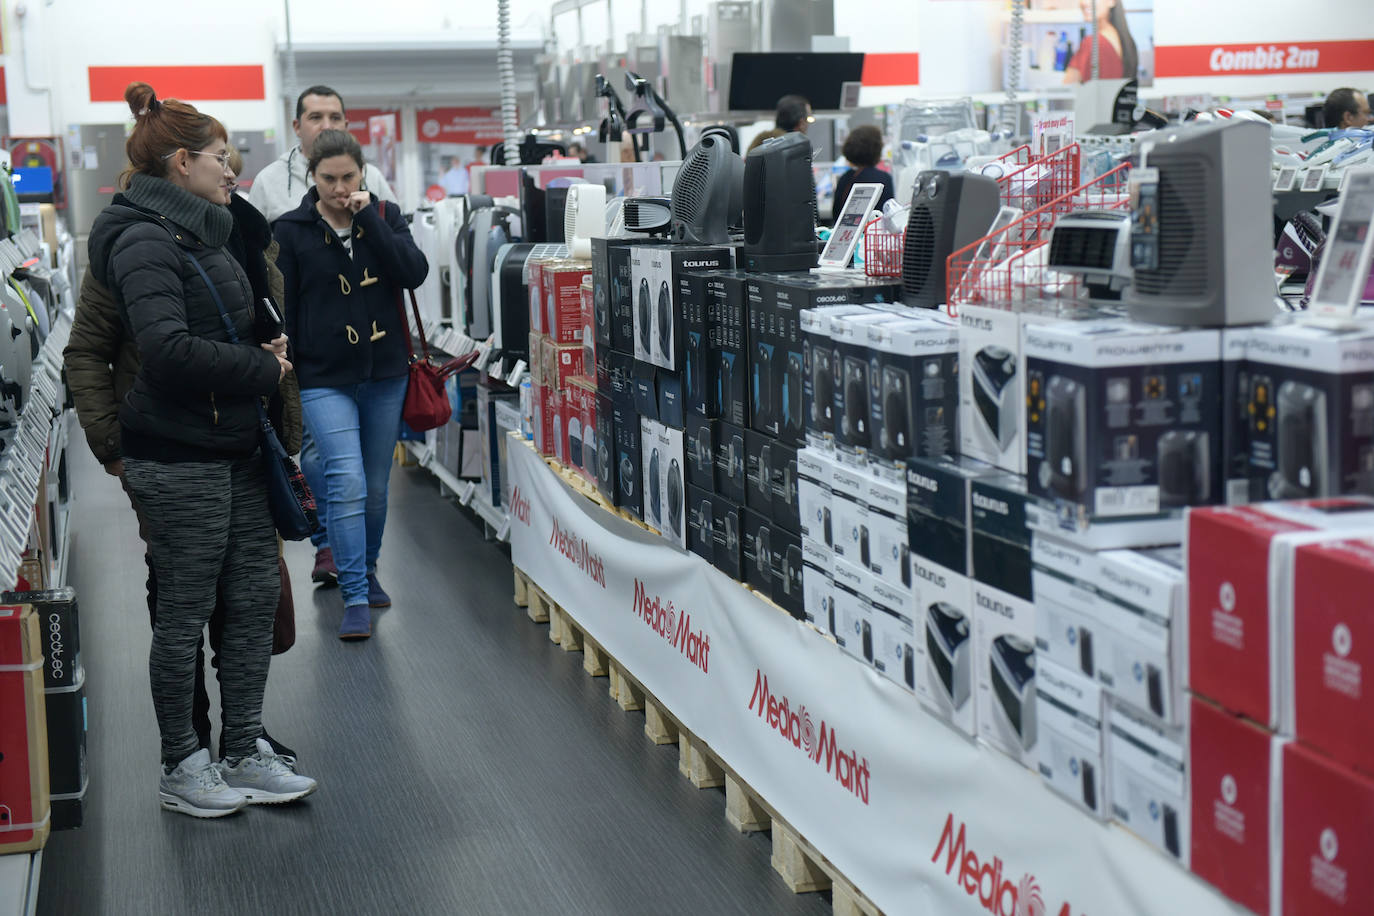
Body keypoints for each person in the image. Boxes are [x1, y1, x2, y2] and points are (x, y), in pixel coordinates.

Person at [86, 82, 317, 817]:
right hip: (178, 454)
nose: (233, 169)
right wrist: (263, 367)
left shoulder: (205, 230)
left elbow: (212, 332)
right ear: (181, 162)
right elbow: (164, 349)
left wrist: (260, 348)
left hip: (233, 444)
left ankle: (243, 747)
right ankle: (183, 764)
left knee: (251, 599)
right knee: (184, 611)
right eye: (222, 157)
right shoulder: (143, 238)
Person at [273, 130, 429, 640]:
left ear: (363, 173)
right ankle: (355, 593)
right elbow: (286, 307)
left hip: (385, 370)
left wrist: (368, 219)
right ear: (312, 178)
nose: (340, 188)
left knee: (378, 488)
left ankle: (370, 566)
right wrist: (291, 368)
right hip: (323, 375)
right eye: (329, 179)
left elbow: (413, 273)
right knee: (346, 480)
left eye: (349, 177)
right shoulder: (291, 230)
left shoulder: (383, 217)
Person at [250, 85, 397, 588]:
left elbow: (398, 255)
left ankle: (345, 552)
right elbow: (260, 266)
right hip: (307, 350)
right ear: (297, 126)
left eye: (335, 114)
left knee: (358, 474)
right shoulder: (270, 184)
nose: (325, 122)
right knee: (317, 455)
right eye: (315, 115)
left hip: (372, 353)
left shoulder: (370, 177)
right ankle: (328, 543)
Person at [1063, 0, 1137, 84]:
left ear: (1111, 1)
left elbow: (1066, 89)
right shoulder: (1124, 40)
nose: (1084, 2)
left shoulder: (1092, 43)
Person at [832, 125, 895, 216]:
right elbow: (888, 214)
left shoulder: (845, 178)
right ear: (877, 148)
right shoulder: (883, 178)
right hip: (873, 229)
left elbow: (836, 213)